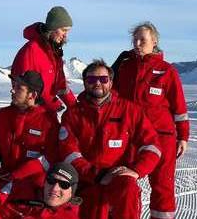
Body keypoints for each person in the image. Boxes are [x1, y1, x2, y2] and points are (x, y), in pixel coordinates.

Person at [59, 59, 161, 218]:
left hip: (119, 179)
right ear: (85, 83)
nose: (97, 83)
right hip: (86, 180)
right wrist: (98, 175)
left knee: (129, 188)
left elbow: (152, 145)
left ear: (111, 82)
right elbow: (68, 152)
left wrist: (136, 171)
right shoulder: (73, 115)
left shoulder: (130, 111)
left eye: (103, 79)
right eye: (92, 79)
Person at [112, 22, 190, 219]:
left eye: (142, 40)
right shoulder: (125, 68)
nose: (137, 44)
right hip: (130, 136)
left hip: (161, 137)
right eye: (135, 40)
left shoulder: (167, 71)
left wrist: (183, 137)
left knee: (162, 187)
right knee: (123, 179)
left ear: (154, 42)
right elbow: (113, 99)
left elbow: (179, 109)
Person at [0, 70, 59, 186]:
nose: (12, 90)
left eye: (19, 88)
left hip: (34, 186)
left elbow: (50, 157)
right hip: (4, 181)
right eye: (13, 86)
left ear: (32, 95)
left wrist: (19, 174)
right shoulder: (1, 116)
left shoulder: (49, 121)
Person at [11, 6, 77, 112]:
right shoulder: (31, 50)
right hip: (30, 113)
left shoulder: (55, 53)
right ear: (53, 28)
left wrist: (75, 107)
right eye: (63, 30)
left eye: (68, 31)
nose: (65, 35)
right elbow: (23, 87)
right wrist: (52, 104)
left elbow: (60, 85)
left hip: (47, 113)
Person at [0, 162, 82, 219]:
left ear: (72, 192)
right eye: (51, 181)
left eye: (64, 185)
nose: (55, 188)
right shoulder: (22, 188)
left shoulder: (69, 216)